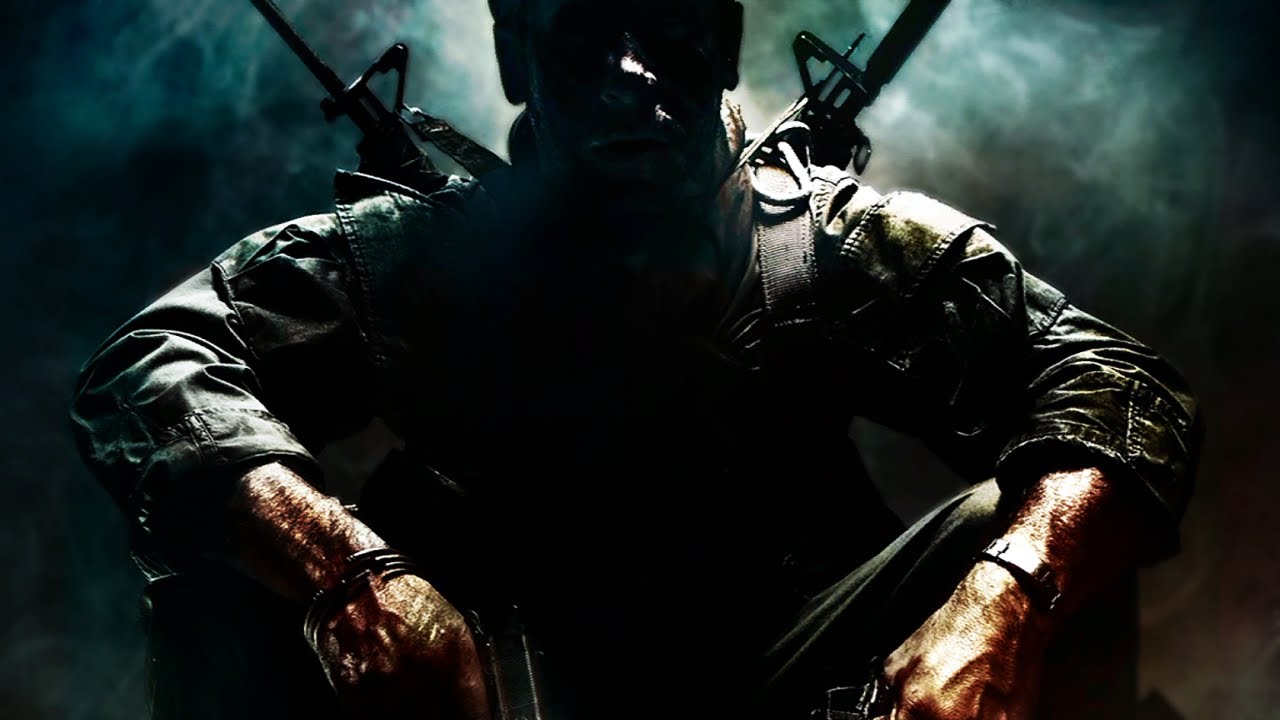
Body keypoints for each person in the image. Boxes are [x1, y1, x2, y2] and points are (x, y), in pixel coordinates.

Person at [69, 0, 1202, 718]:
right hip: (496, 688)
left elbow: (1118, 386)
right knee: (221, 580)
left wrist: (1008, 597)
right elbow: (151, 367)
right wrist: (346, 577)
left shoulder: (825, 245)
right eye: (582, 33)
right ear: (515, 56)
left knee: (1049, 522)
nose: (631, 73)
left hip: (792, 681)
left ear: (724, 42)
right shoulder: (419, 258)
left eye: (669, 26)